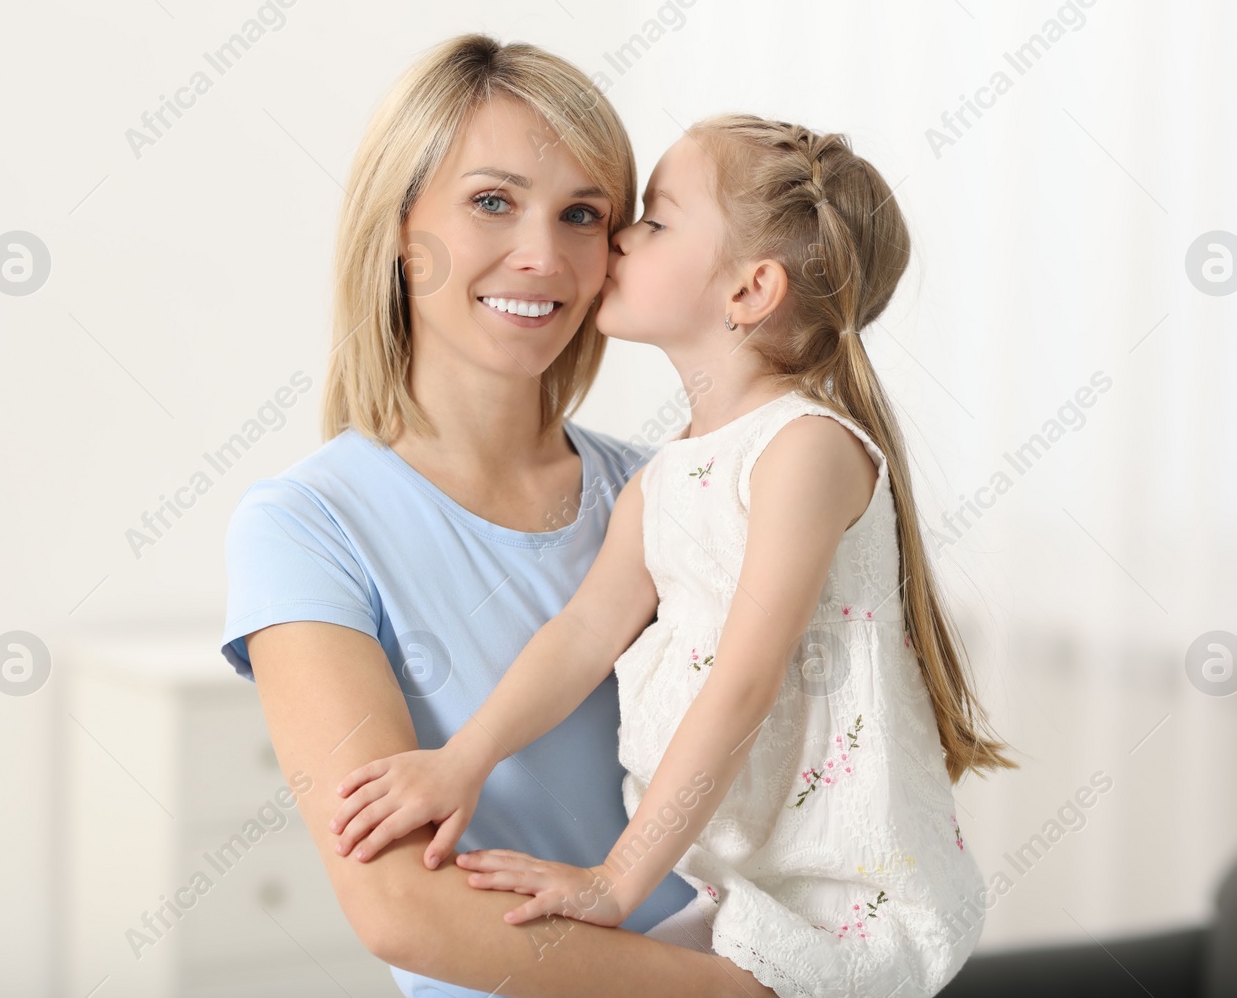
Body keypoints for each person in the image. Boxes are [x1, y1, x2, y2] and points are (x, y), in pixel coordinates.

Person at [328, 114, 1019, 997]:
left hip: (838, 894)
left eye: (653, 221)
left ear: (749, 290)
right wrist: (459, 762)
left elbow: (745, 679)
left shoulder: (803, 449)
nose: (617, 238)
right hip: (736, 888)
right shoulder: (665, 475)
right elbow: (583, 633)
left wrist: (616, 879)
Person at [221, 36, 777, 996]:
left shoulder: (674, 490)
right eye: (492, 201)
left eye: (583, 215)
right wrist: (735, 990)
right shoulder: (305, 526)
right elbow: (403, 910)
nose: (543, 254)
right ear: (400, 227)